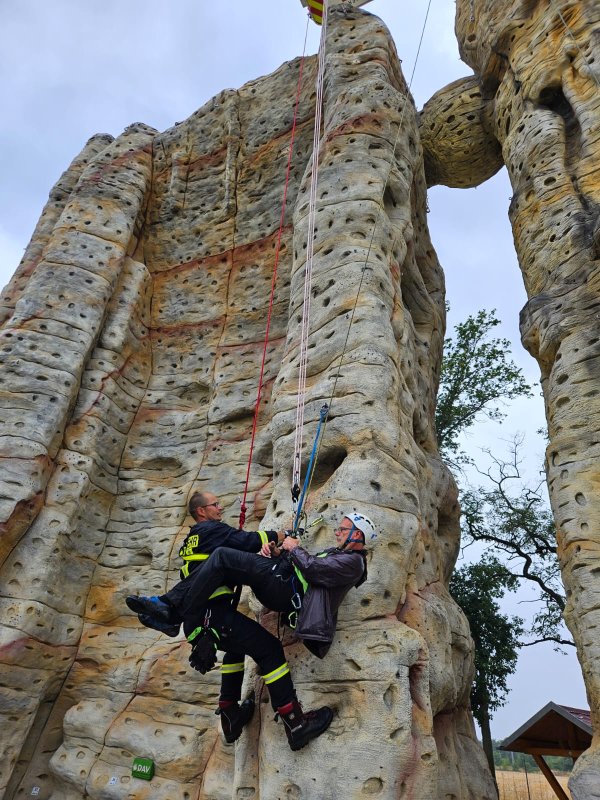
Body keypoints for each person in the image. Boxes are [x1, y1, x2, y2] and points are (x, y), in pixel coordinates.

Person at [128, 506, 375, 749]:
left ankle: (171, 611)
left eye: (343, 529)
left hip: (282, 587)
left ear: (358, 535)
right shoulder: (338, 554)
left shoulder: (355, 562)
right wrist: (277, 553)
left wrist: (293, 548)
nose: (337, 532)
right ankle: (278, 721)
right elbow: (306, 568)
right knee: (244, 639)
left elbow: (313, 569)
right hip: (274, 584)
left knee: (223, 558)